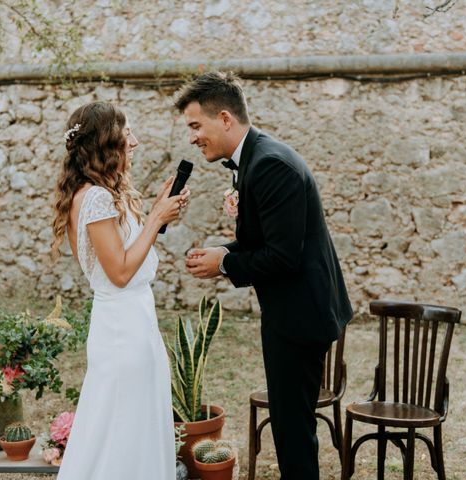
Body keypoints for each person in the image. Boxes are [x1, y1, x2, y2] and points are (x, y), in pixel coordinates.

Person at [176, 72, 353, 480]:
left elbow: (283, 257)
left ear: (224, 119)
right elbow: (269, 239)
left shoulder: (270, 165)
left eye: (195, 126)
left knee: (293, 433)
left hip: (300, 318)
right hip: (289, 313)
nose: (192, 138)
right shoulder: (255, 157)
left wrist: (223, 264)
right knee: (290, 427)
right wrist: (226, 250)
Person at [50, 101, 189, 480]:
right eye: (127, 134)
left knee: (132, 427)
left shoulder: (98, 194)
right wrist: (157, 218)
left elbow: (129, 254)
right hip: (122, 330)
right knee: (122, 432)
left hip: (133, 321)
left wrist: (158, 210)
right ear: (107, 144)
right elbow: (121, 272)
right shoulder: (94, 198)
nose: (136, 142)